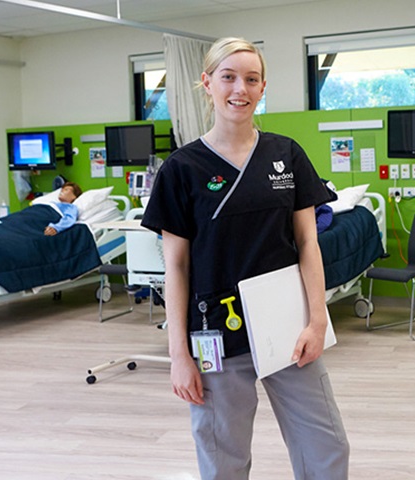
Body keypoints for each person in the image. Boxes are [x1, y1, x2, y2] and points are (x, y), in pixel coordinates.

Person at [140, 38, 349, 480]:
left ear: (262, 86)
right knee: (223, 458)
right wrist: (179, 353)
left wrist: (317, 320)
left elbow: (308, 244)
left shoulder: (285, 155)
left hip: (287, 327)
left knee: (326, 447)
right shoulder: (181, 169)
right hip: (216, 330)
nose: (241, 88)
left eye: (251, 79)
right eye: (229, 76)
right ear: (207, 83)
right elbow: (174, 267)